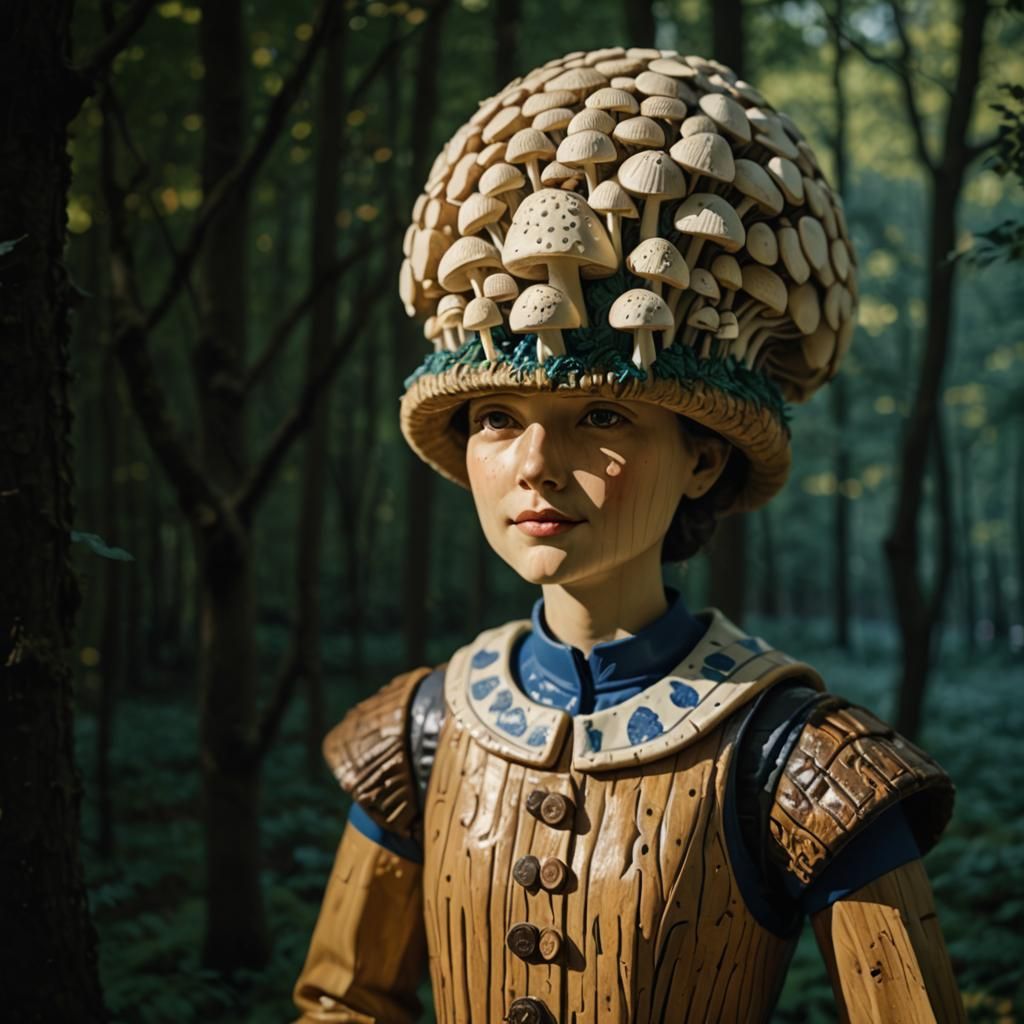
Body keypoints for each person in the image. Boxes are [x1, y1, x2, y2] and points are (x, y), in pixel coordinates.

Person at [292, 46, 962, 1024]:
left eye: (603, 417)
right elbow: (341, 998)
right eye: (495, 419)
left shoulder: (796, 756)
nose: (535, 462)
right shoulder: (422, 730)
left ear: (703, 458)